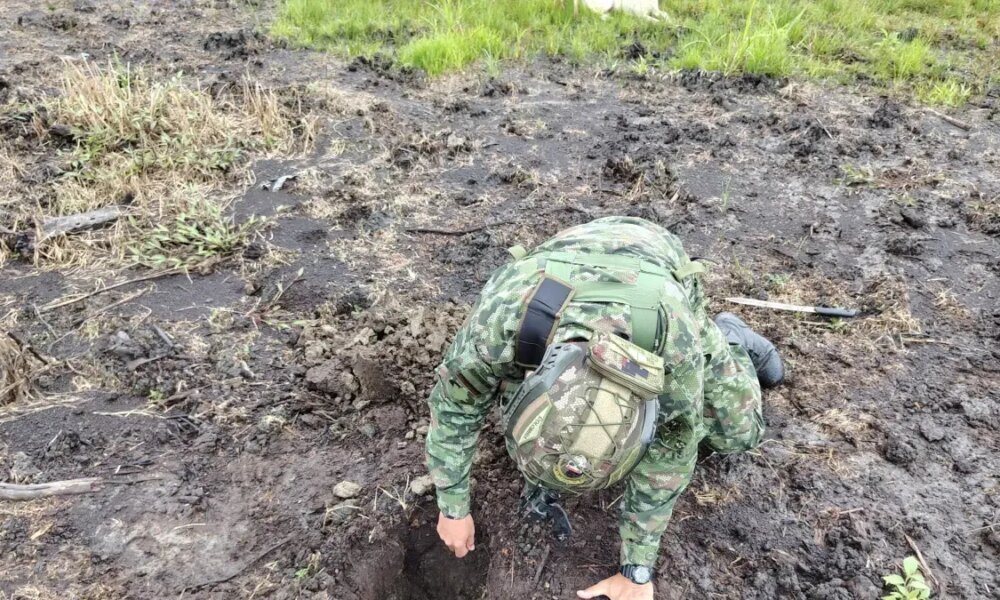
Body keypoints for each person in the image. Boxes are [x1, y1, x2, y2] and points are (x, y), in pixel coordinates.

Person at [425, 217, 784, 600]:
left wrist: (637, 569)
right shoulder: (499, 325)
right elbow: (453, 408)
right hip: (559, 265)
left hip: (654, 266)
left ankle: (730, 337)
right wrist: (452, 507)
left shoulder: (674, 348)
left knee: (737, 434)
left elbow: (673, 449)